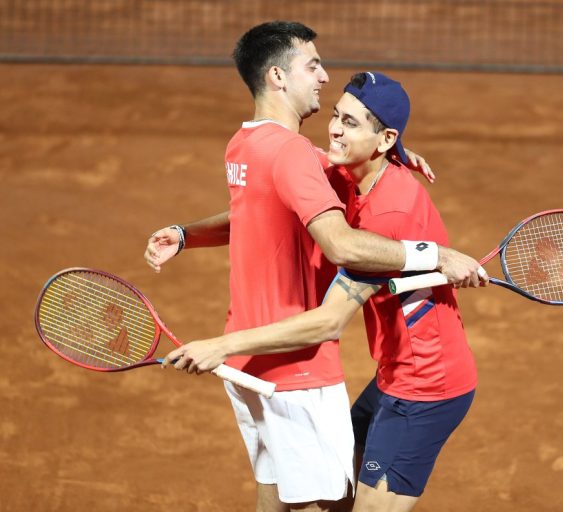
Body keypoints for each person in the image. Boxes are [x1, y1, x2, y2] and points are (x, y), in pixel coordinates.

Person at [143, 22, 486, 512]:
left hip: (423, 382)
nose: (333, 124)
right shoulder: (322, 168)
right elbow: (269, 213)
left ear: (384, 138)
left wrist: (218, 344)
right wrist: (186, 234)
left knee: (325, 501)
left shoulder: (252, 148)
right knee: (312, 497)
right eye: (314, 66)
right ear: (279, 77)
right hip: (360, 372)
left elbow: (330, 313)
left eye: (350, 123)